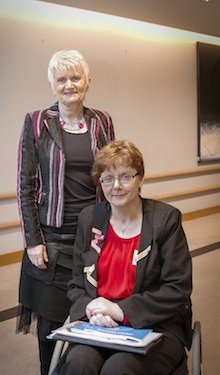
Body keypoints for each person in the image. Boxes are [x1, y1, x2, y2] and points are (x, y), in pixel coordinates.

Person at [16, 49, 115, 375]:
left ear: (87, 81)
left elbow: (111, 177)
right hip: (52, 241)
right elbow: (25, 185)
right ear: (52, 83)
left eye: (76, 77)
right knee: (52, 328)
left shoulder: (102, 121)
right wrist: (33, 240)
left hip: (95, 238)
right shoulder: (36, 123)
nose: (69, 85)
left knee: (92, 321)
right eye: (62, 79)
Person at [57, 140, 193, 375]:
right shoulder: (89, 218)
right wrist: (92, 308)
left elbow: (177, 289)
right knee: (78, 364)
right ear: (100, 183)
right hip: (98, 325)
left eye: (125, 176)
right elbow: (76, 284)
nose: (116, 186)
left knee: (118, 368)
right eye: (107, 178)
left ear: (140, 178)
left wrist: (120, 311)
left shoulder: (165, 220)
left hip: (155, 325)